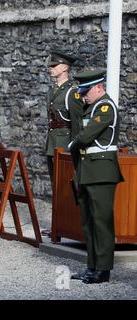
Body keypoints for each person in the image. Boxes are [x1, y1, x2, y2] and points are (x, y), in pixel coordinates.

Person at [69, 70, 124, 284]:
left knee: (101, 222)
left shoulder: (105, 107)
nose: (84, 96)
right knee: (88, 221)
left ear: (99, 87)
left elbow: (87, 135)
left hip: (101, 171)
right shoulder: (90, 107)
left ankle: (103, 269)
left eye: (87, 91)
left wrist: (73, 144)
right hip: (87, 170)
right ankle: (91, 266)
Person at [42, 51, 85, 236]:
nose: (51, 69)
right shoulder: (52, 91)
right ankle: (56, 226)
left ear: (65, 67)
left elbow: (77, 125)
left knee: (67, 188)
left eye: (55, 66)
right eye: (51, 66)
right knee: (56, 186)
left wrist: (75, 150)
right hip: (53, 144)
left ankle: (69, 226)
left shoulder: (72, 93)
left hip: (65, 146)